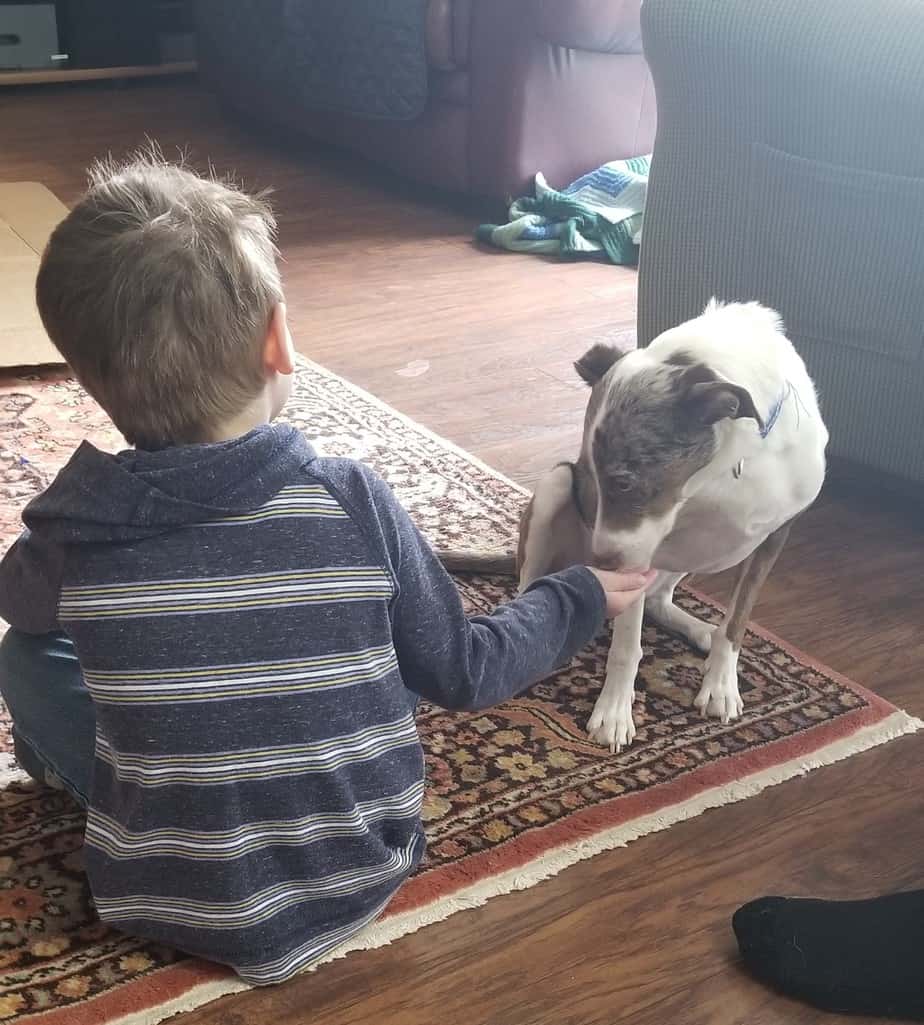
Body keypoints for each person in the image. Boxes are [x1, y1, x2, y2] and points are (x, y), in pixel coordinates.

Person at [0, 154, 652, 986]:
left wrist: (70, 522)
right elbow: (465, 669)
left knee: (24, 652)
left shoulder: (79, 529)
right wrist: (575, 596)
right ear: (278, 339)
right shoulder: (351, 498)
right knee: (367, 629)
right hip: (363, 866)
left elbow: (17, 601)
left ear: (86, 377)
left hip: (165, 895)